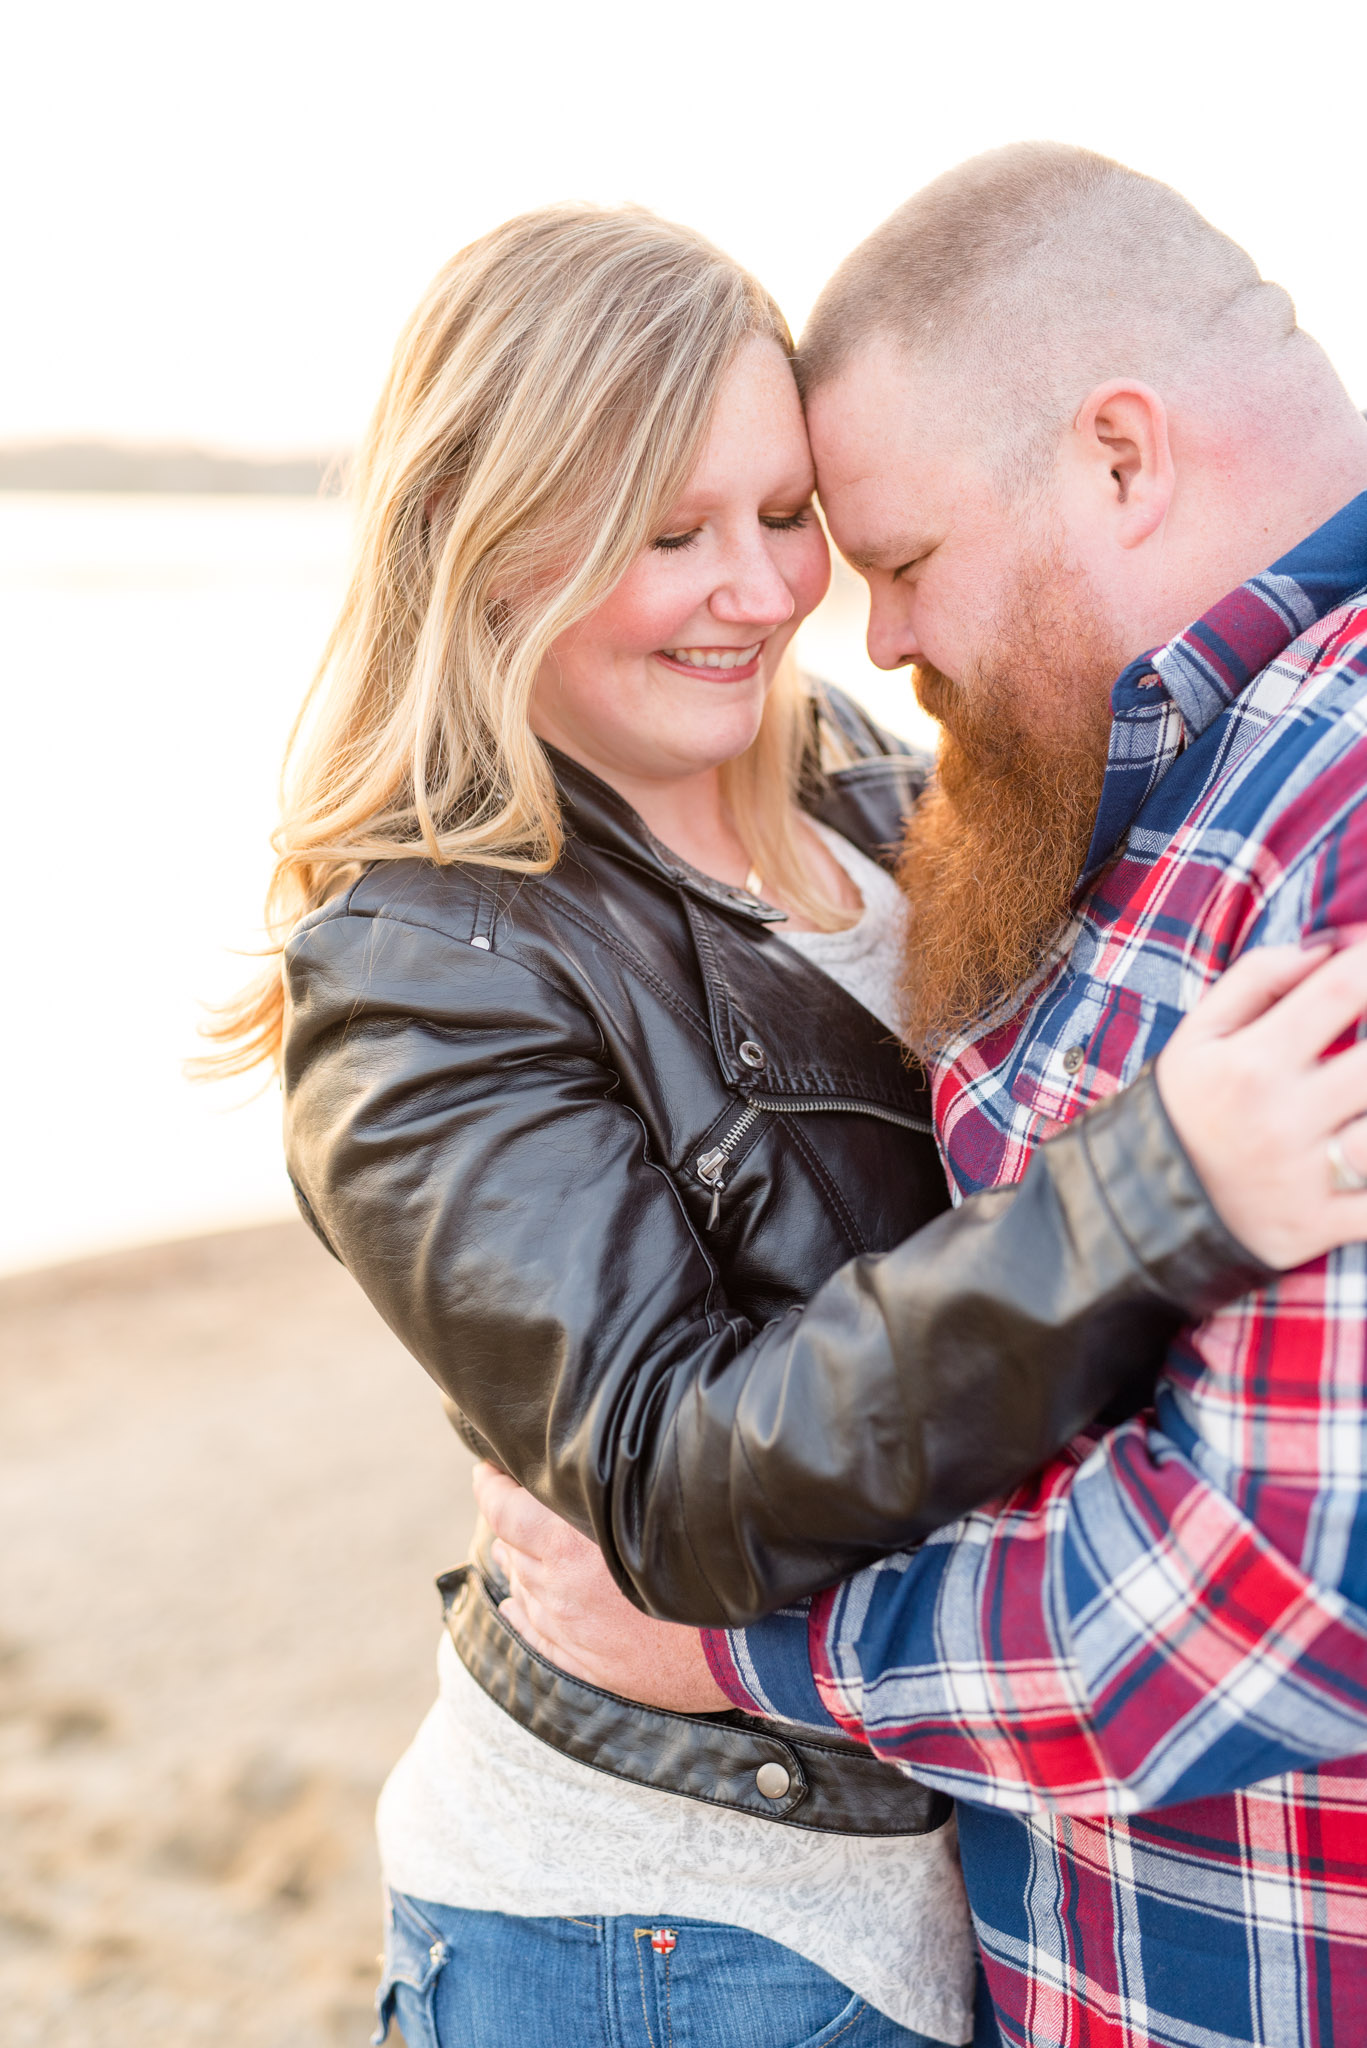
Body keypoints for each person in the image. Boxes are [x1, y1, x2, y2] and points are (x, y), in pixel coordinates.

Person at [209, 204, 1367, 2048]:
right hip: (661, 1924)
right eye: (668, 537)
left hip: (945, 1871)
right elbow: (669, 1479)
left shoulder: (879, 780)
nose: (760, 591)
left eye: (782, 513)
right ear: (494, 552)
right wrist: (1153, 1193)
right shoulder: (426, 961)